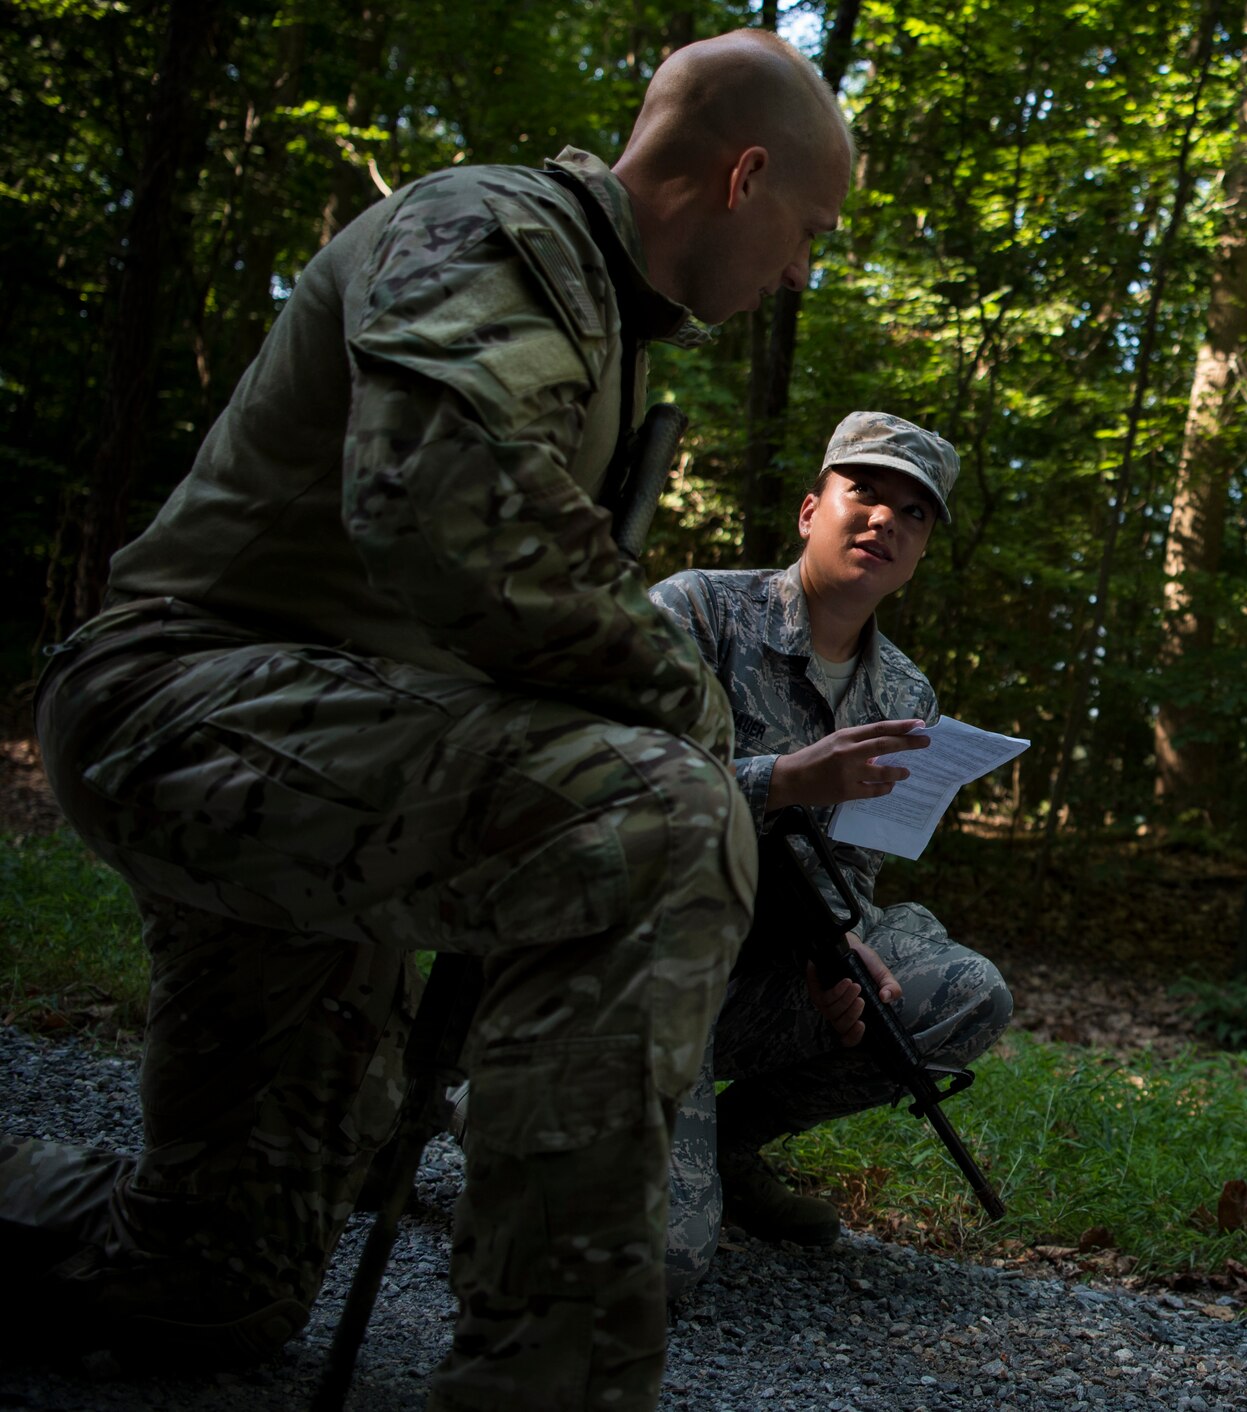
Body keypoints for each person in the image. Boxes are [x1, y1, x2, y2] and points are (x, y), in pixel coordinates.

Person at [0, 29, 851, 1410]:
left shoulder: (610, 331)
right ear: (743, 174)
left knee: (216, 1286)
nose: (803, 270)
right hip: (181, 701)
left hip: (332, 746)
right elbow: (447, 516)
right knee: (661, 814)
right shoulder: (495, 229)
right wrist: (689, 704)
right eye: (809, 229)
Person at [646, 412, 1012, 1294]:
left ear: (921, 553)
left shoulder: (904, 692)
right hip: (650, 964)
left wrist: (832, 952)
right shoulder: (696, 610)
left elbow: (853, 871)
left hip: (769, 967)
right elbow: (611, 789)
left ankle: (729, 1148)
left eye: (914, 514)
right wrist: (780, 780)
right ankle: (513, 1099)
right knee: (656, 1270)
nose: (887, 519)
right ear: (812, 510)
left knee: (960, 992)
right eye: (867, 493)